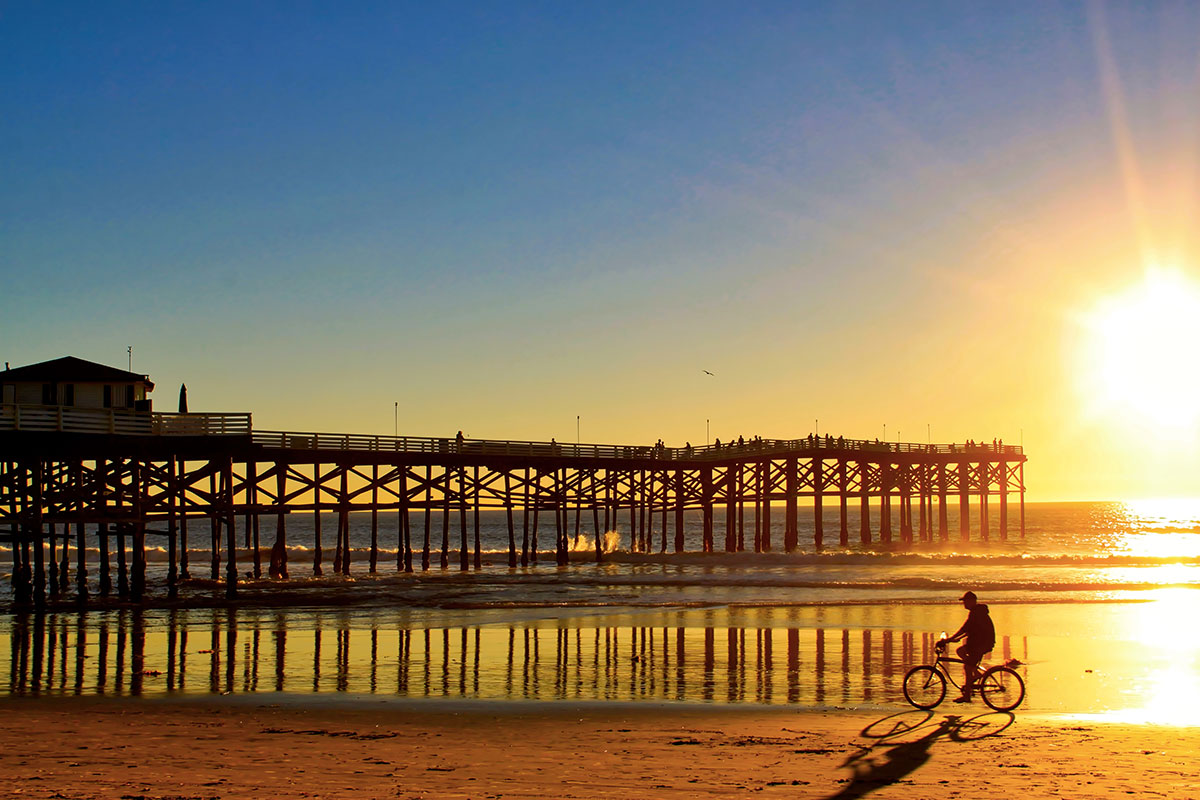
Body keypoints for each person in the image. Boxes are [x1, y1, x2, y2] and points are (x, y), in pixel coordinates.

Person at [945, 590, 995, 702]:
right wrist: (955, 639)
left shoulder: (976, 613)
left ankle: (967, 696)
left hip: (981, 644)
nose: (964, 604)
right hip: (977, 643)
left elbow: (965, 628)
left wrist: (950, 639)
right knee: (960, 651)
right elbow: (969, 630)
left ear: (972, 601)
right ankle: (976, 674)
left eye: (966, 601)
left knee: (967, 667)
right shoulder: (976, 612)